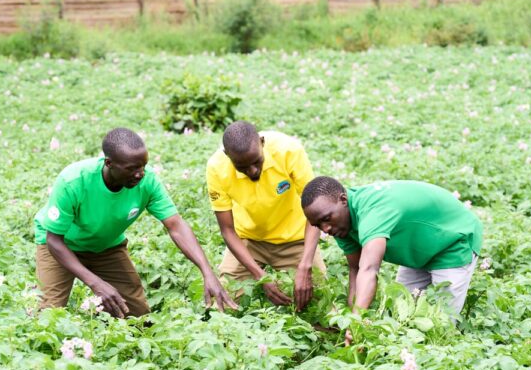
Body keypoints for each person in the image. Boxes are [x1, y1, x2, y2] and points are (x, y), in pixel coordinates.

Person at [34, 127, 236, 318]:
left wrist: (207, 272)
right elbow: (54, 240)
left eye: (143, 166)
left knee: (136, 316)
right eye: (132, 168)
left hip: (106, 247)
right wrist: (95, 282)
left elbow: (176, 226)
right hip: (61, 247)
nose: (139, 174)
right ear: (109, 163)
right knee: (49, 316)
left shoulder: (147, 182)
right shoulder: (74, 181)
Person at [301, 177, 483, 315]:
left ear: (343, 200)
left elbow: (369, 269)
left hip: (452, 240)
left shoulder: (373, 211)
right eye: (318, 225)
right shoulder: (340, 223)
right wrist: (351, 318)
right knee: (399, 313)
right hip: (418, 248)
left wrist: (357, 320)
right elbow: (356, 270)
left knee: (441, 322)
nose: (326, 229)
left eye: (326, 219)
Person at [206, 121, 326, 311]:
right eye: (242, 167)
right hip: (248, 241)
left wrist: (305, 265)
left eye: (256, 162)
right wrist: (260, 276)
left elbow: (316, 209)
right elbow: (227, 230)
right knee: (221, 306)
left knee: (320, 307)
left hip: (296, 240)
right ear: (227, 156)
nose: (252, 171)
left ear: (262, 142)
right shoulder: (216, 168)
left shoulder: (288, 151)